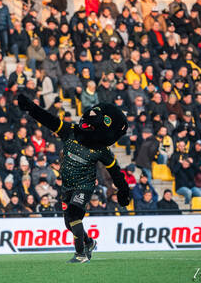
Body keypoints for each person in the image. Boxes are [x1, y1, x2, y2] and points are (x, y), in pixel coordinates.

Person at [18, 94, 129, 263]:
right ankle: (89, 242)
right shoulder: (70, 131)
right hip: (67, 186)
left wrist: (123, 190)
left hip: (84, 186)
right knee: (68, 223)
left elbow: (116, 172)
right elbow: (49, 120)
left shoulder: (102, 150)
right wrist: (30, 108)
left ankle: (81, 254)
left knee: (74, 214)